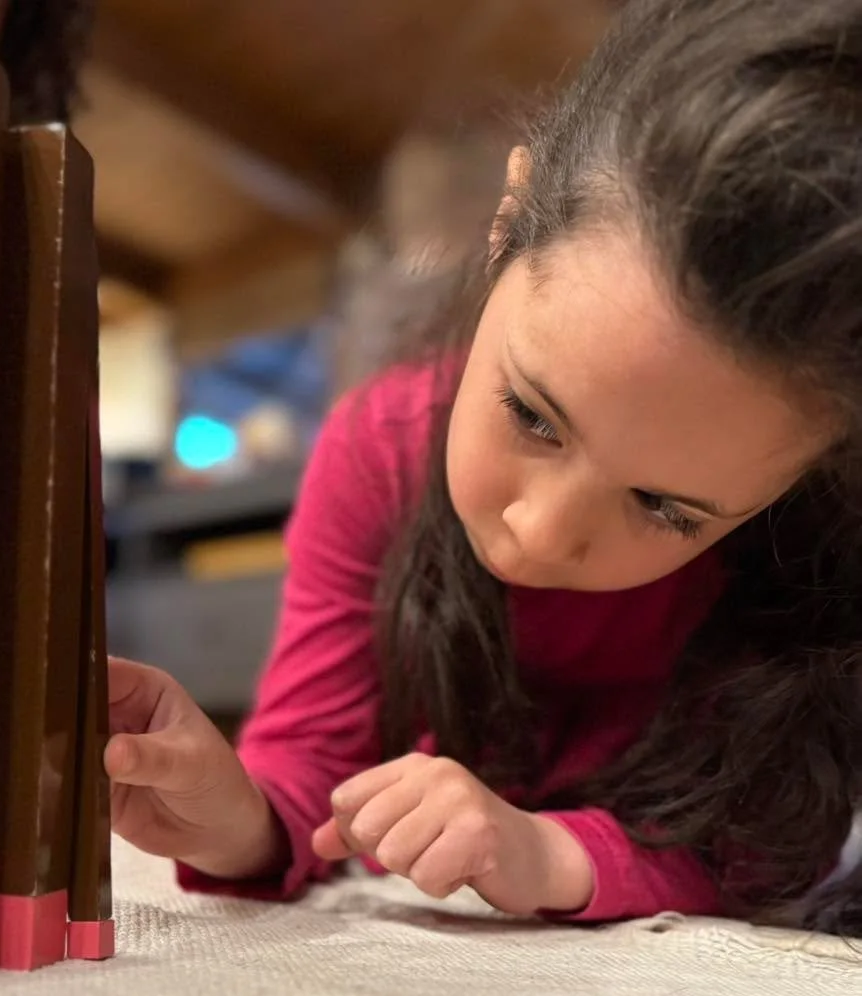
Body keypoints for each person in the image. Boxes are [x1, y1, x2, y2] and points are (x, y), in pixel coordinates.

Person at [105, 0, 862, 932]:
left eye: (667, 508)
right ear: (509, 222)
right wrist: (235, 818)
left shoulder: (816, 542)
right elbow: (311, 765)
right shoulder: (381, 445)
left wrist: (549, 851)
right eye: (534, 416)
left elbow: (765, 841)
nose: (539, 530)